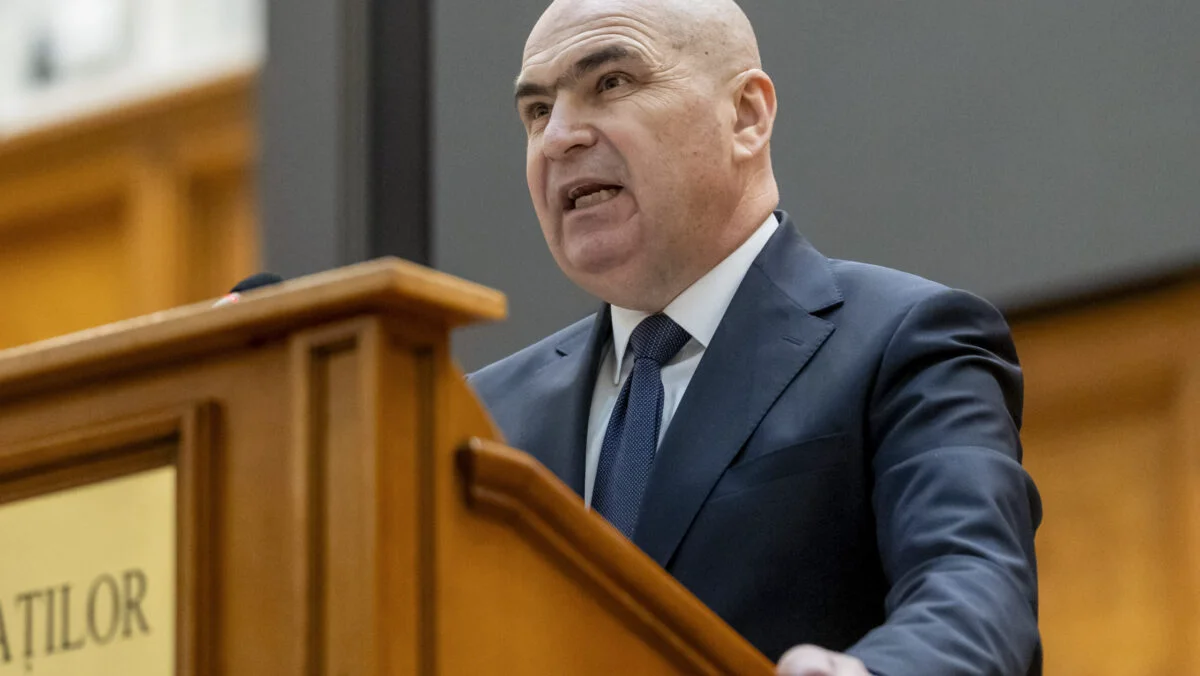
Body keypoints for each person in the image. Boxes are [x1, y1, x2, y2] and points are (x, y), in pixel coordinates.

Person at [469, 1, 1042, 674]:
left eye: (611, 83)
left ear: (746, 116)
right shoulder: (481, 414)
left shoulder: (907, 342)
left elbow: (976, 600)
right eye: (538, 111)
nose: (559, 137)